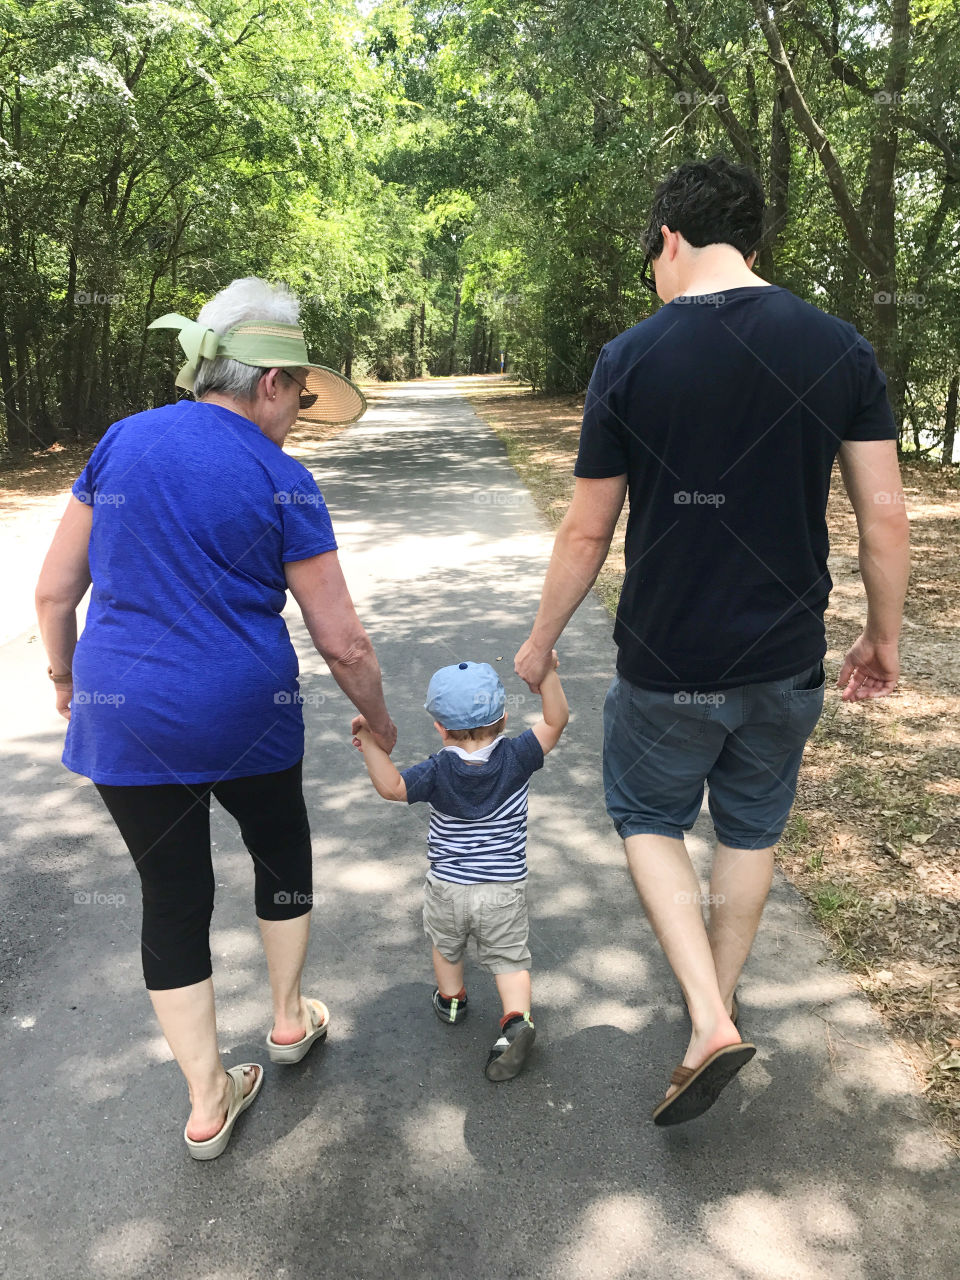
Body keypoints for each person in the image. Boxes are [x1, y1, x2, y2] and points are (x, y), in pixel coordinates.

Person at [514, 156, 910, 1126]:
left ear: (670, 237)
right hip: (786, 655)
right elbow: (886, 514)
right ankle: (712, 1018)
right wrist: (882, 638)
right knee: (750, 828)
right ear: (755, 242)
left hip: (668, 658)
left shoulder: (631, 357)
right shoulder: (840, 347)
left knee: (648, 816)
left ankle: (708, 1017)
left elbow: (586, 531)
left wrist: (540, 639)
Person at [35, 277, 397, 1159]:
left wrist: (66, 678)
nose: (299, 417)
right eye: (300, 397)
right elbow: (344, 641)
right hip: (245, 713)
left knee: (172, 896)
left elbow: (53, 591)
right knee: (280, 848)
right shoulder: (282, 478)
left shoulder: (122, 440)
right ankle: (288, 1019)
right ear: (270, 382)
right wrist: (380, 722)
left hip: (126, 714)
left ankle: (207, 1102)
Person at [352, 658, 568, 1080]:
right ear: (504, 719)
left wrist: (370, 743)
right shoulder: (519, 755)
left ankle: (452, 1001)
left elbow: (392, 788)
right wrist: (548, 675)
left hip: (448, 888)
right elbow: (556, 721)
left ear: (440, 727)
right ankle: (516, 1022)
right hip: (503, 889)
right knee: (510, 959)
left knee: (446, 946)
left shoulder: (437, 770)